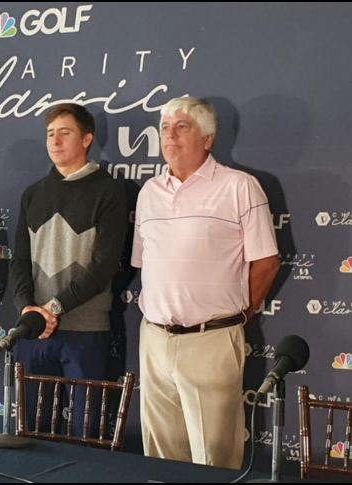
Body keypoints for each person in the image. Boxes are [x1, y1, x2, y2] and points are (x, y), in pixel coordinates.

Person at [131, 96, 280, 469]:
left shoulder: (240, 187)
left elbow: (266, 262)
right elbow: (144, 261)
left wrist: (236, 315)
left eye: (183, 127)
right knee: (161, 457)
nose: (170, 136)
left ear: (209, 139)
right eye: (165, 128)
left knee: (214, 459)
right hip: (154, 339)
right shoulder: (149, 192)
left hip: (212, 340)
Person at [10, 103, 128, 433]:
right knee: (32, 430)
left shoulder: (108, 190)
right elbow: (19, 261)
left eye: (65, 133)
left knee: (85, 433)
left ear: (87, 139)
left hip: (86, 332)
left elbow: (103, 267)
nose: (55, 141)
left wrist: (53, 308)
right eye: (50, 134)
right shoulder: (33, 194)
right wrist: (29, 311)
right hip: (36, 331)